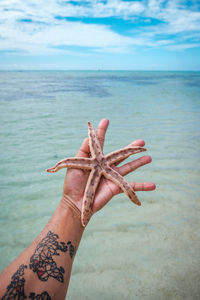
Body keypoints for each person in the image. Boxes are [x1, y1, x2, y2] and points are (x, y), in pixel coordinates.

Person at [0, 119, 156, 299]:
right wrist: (62, 176)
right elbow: (71, 161)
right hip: (93, 178)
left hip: (94, 177)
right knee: (123, 182)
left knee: (125, 180)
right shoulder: (95, 162)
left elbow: (80, 159)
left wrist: (72, 207)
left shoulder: (97, 162)